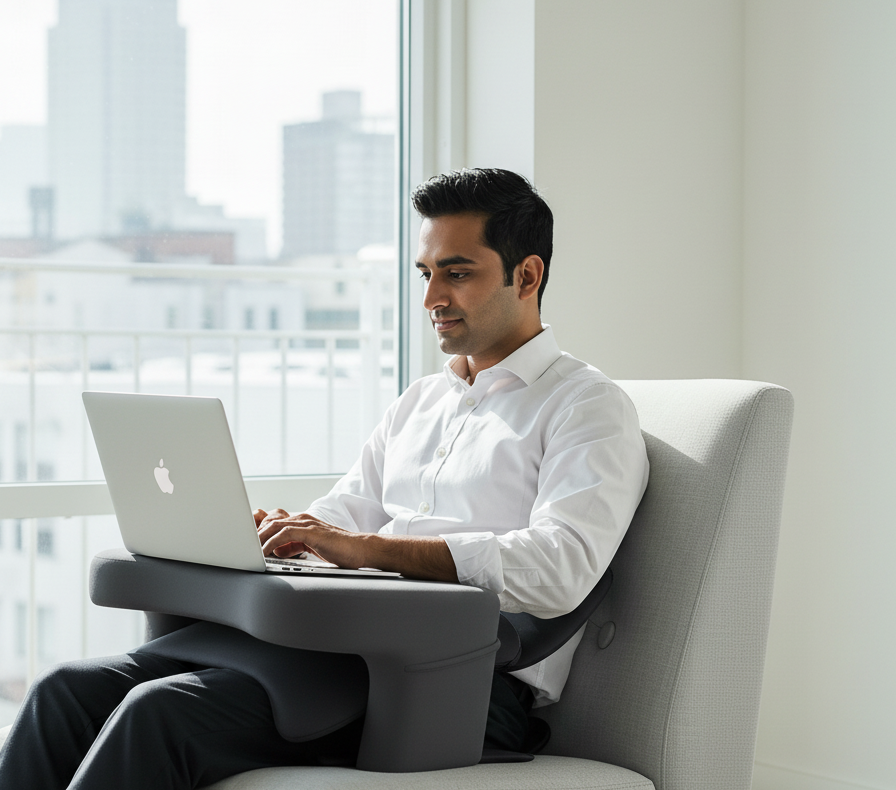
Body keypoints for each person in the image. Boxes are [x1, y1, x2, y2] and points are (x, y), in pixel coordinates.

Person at [0, 168, 649, 790]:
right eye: (425, 274)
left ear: (527, 274)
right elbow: (346, 513)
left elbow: (563, 565)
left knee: (159, 715)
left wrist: (367, 550)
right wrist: (288, 534)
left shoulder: (586, 406)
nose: (430, 299)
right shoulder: (422, 400)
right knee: (65, 693)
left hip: (453, 679)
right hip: (340, 646)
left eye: (456, 273)